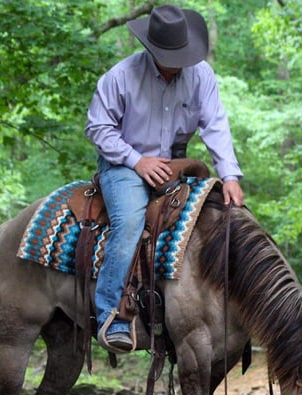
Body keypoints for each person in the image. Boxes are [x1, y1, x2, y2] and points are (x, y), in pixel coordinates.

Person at [85, 4, 244, 353]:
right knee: (128, 223)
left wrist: (229, 175)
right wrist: (136, 161)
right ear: (152, 49)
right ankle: (112, 313)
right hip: (125, 163)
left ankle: (205, 316)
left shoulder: (201, 76)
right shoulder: (120, 77)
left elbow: (215, 125)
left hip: (176, 166)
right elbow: (98, 128)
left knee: (220, 220)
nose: (180, 62)